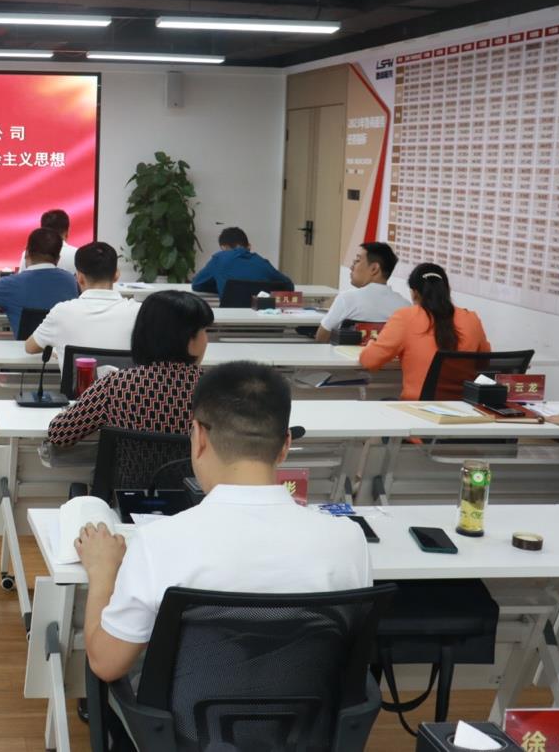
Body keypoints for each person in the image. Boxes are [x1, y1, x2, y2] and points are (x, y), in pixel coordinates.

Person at [76, 361, 371, 682]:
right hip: (312, 713)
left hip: (187, 714)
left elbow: (106, 664)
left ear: (199, 437)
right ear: (285, 445)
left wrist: (102, 572)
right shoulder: (349, 541)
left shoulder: (159, 542)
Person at [46, 290, 213, 447]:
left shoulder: (115, 385)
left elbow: (58, 434)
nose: (207, 339)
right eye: (205, 331)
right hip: (193, 471)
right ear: (189, 340)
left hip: (127, 470)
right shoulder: (216, 391)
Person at [360, 262, 491, 400]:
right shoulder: (471, 319)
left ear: (414, 293)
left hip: (418, 408)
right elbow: (484, 362)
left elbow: (370, 361)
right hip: (463, 406)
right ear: (447, 290)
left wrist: (371, 343)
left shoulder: (405, 317)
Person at [27, 242, 140, 371]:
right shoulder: (139, 312)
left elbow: (30, 347)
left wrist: (58, 347)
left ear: (79, 277)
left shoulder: (62, 312)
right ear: (116, 275)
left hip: (80, 385)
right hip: (124, 385)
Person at [314, 241, 411, 343]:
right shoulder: (405, 307)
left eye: (357, 261)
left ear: (374, 268)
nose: (351, 267)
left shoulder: (347, 299)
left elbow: (321, 338)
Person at [190, 226, 293, 298]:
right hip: (262, 320)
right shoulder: (262, 262)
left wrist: (223, 287)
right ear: (249, 246)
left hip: (230, 321)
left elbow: (197, 284)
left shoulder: (219, 258)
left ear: (223, 247)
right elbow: (289, 286)